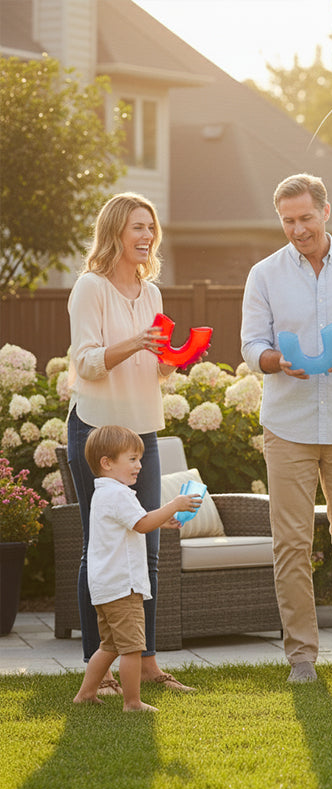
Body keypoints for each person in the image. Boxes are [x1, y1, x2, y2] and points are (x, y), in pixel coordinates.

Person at [241, 173, 332, 684]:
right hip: (288, 426)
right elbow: (250, 345)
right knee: (292, 543)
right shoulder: (264, 274)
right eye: (288, 220)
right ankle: (302, 657)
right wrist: (277, 362)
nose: (298, 229)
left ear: (326, 212)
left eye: (305, 217)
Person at [67, 192, 194, 693]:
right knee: (98, 546)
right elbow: (87, 362)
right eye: (137, 227)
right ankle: (97, 670)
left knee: (150, 546)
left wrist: (168, 360)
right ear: (115, 232)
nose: (146, 236)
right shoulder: (90, 288)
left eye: (151, 228)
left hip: (142, 429)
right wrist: (137, 343)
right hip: (98, 430)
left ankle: (147, 664)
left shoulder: (152, 293)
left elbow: (153, 367)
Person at [73, 426, 201, 711]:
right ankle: (132, 702)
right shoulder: (119, 495)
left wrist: (162, 520)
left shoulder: (105, 494)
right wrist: (174, 505)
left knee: (109, 646)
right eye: (132, 459)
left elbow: (135, 523)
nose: (139, 465)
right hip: (123, 586)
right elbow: (141, 524)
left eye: (139, 459)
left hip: (107, 587)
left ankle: (85, 694)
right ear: (107, 463)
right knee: (132, 648)